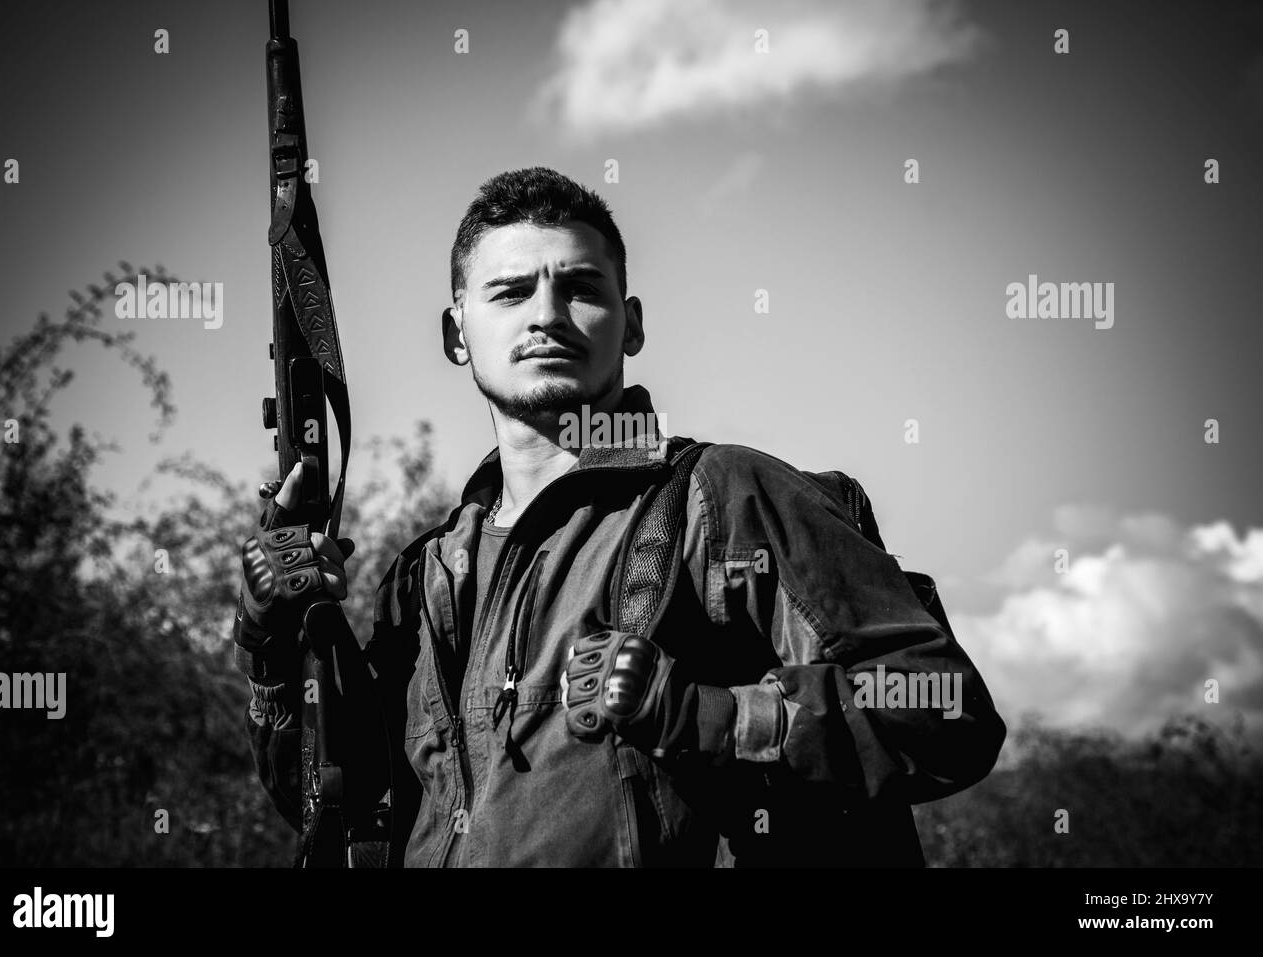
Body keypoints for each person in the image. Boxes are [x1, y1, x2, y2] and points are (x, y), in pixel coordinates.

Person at [233, 166, 1007, 867]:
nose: (547, 314)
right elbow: (337, 802)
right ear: (455, 334)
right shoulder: (429, 572)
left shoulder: (721, 496)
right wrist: (275, 635)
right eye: (509, 292)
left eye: (580, 288)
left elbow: (946, 710)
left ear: (630, 323)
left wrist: (703, 713)